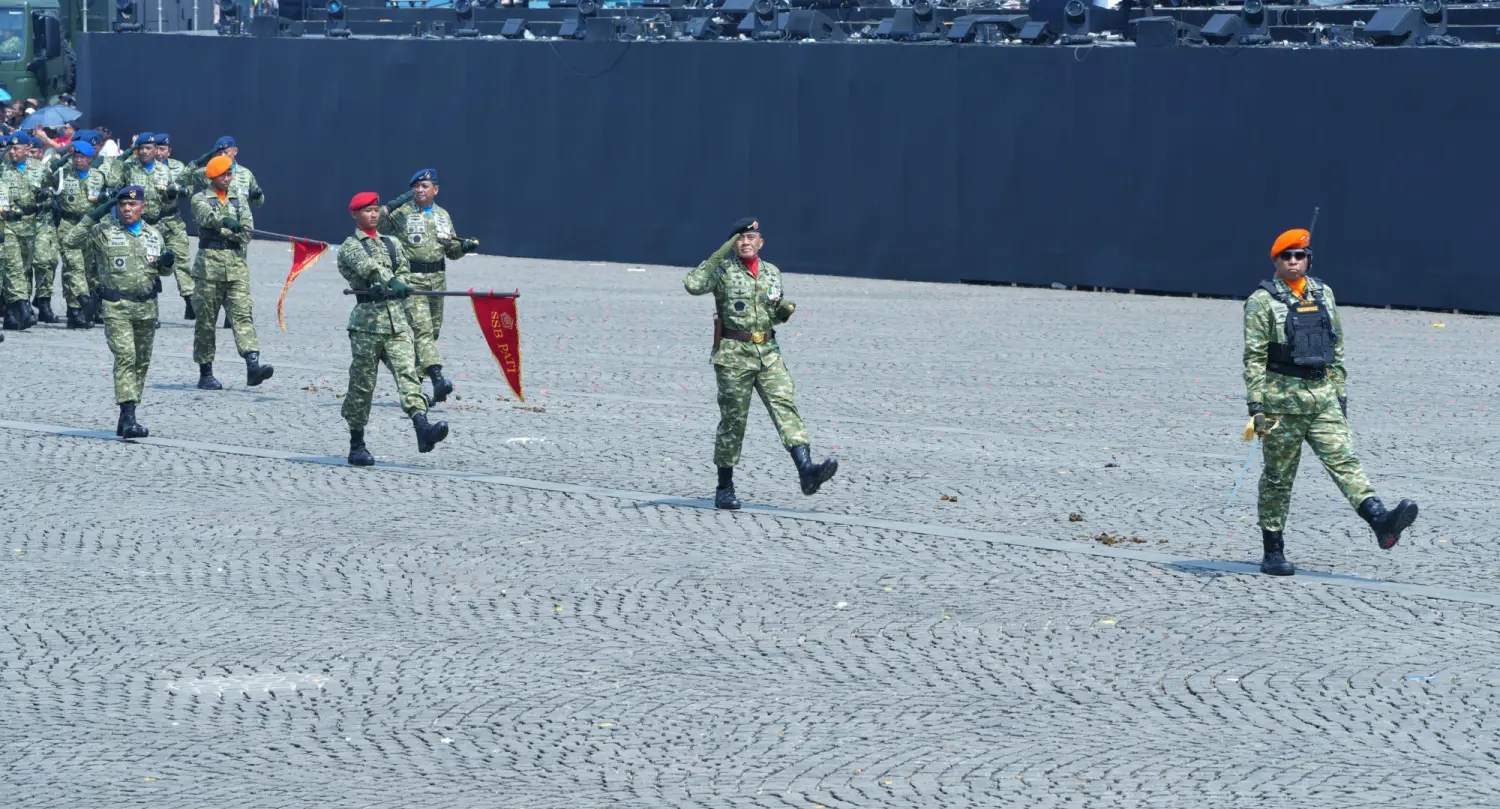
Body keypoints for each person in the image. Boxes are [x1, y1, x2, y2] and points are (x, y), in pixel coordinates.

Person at [1244, 228, 1419, 576]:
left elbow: (1335, 345)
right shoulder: (1261, 301)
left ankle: (1380, 520)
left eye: (1300, 255)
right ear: (1276, 261)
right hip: (1282, 401)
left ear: (1309, 258)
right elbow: (1254, 355)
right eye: (1286, 256)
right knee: (1278, 477)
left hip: (1322, 397)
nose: (1294, 262)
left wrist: (1340, 393)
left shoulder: (1323, 293)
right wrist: (1257, 405)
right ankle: (1273, 549)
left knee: (1345, 461)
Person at [683, 217, 838, 509]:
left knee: (785, 406)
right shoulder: (723, 271)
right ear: (733, 244)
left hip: (768, 352)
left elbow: (770, 312)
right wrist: (718, 254)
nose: (745, 242)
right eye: (739, 238)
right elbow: (693, 284)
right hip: (733, 355)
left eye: (751, 238)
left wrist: (783, 312)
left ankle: (806, 471)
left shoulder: (772, 273)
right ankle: (724, 487)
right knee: (733, 422)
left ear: (761, 242)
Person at [338, 192, 449, 466]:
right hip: (367, 324)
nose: (373, 215)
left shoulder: (393, 242)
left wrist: (400, 281)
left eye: (376, 210)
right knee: (362, 385)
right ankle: (357, 444)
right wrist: (388, 280)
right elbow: (368, 267)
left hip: (396, 322)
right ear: (355, 215)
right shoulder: (351, 245)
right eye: (366, 211)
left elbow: (404, 269)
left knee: (408, 374)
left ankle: (422, 428)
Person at [61, 186, 175, 438]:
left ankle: (126, 417)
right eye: (122, 204)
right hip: (116, 307)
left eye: (132, 205)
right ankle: (129, 416)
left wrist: (167, 264)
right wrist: (96, 213)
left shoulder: (154, 235)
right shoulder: (104, 232)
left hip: (146, 307)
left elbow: (161, 271)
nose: (126, 209)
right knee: (126, 357)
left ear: (142, 208)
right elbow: (70, 241)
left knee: (141, 362)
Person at [377, 168, 478, 402]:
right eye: (416, 186)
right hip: (411, 280)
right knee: (422, 331)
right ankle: (437, 378)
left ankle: (413, 390)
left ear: (436, 190)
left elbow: (451, 250)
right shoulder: (402, 212)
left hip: (438, 281)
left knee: (431, 334)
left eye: (425, 186)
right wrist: (394, 203)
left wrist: (464, 247)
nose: (420, 190)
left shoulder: (443, 215)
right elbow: (376, 225)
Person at [190, 156, 272, 390]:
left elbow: (247, 231)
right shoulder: (200, 198)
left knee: (243, 316)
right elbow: (206, 218)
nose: (228, 178)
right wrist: (226, 223)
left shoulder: (239, 200)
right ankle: (205, 372)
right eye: (223, 174)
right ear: (213, 176)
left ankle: (253, 365)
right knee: (206, 322)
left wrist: (227, 231)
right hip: (208, 269)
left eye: (230, 174)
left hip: (236, 268)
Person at [44, 139, 106, 328]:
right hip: (68, 225)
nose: (78, 160)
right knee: (74, 265)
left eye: (82, 157)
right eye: (76, 156)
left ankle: (78, 310)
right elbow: (45, 175)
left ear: (90, 159)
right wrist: (62, 157)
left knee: (87, 268)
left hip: (89, 226)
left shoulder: (98, 176)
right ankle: (78, 308)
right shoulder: (62, 174)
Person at [1, 132, 42, 330]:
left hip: (31, 224)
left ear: (28, 149)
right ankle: (24, 308)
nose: (13, 151)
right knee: (13, 266)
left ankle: (11, 313)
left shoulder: (38, 168)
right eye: (11, 148)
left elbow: (50, 190)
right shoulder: (3, 169)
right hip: (7, 224)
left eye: (17, 148)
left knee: (24, 269)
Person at [154, 133, 194, 319]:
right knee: (149, 262)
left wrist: (178, 190)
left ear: (169, 151)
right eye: (156, 149)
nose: (159, 153)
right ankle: (149, 304)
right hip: (151, 221)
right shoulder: (142, 168)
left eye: (162, 149)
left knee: (182, 260)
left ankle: (190, 299)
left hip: (172, 221)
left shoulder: (179, 168)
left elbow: (189, 189)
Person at [27, 134, 60, 324]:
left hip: (45, 222)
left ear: (40, 152)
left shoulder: (46, 170)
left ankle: (43, 300)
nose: (31, 155)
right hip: (24, 222)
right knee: (26, 265)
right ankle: (23, 303)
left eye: (34, 151)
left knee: (49, 262)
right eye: (28, 151)